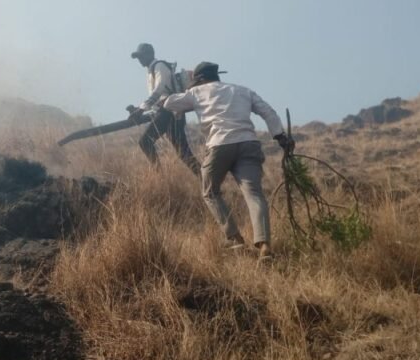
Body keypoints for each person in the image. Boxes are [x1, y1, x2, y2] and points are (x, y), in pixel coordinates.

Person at [162, 61, 294, 257]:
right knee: (254, 194)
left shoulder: (196, 92)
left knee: (209, 191)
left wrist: (189, 88)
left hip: (219, 144)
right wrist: (280, 136)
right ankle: (265, 245)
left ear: (199, 79)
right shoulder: (242, 90)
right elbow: (268, 112)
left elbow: (169, 103)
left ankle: (234, 238)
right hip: (248, 143)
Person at [126, 43, 199, 174]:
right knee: (184, 153)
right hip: (169, 112)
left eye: (141, 56)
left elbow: (160, 89)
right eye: (138, 57)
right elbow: (156, 99)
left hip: (169, 110)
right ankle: (208, 183)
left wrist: (142, 109)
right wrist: (139, 109)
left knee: (145, 142)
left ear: (150, 54)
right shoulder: (150, 71)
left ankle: (159, 176)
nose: (140, 60)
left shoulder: (159, 66)